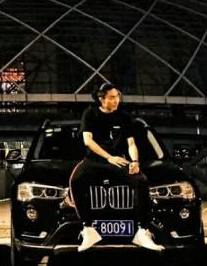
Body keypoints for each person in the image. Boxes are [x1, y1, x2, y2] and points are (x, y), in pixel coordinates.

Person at [69, 83, 163, 252]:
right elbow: (88, 141)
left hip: (119, 160)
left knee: (141, 181)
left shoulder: (124, 117)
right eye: (112, 97)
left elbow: (131, 143)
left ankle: (142, 231)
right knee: (76, 180)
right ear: (101, 99)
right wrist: (108, 157)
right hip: (95, 159)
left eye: (117, 96)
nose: (116, 100)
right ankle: (88, 229)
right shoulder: (90, 114)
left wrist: (135, 161)